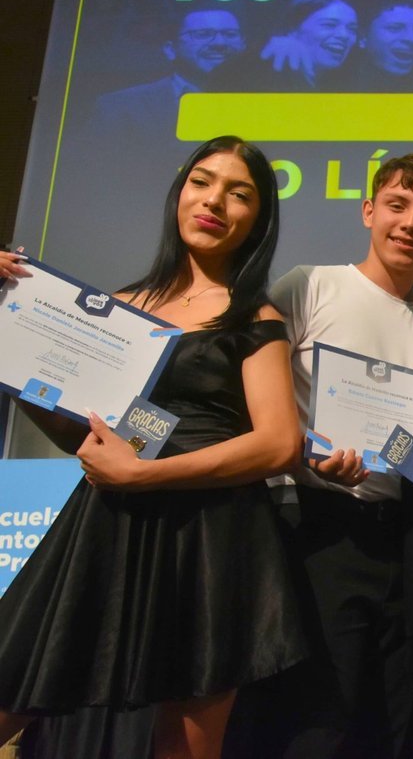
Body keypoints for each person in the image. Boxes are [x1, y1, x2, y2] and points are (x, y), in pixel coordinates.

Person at [0, 136, 306, 759]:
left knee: (185, 747)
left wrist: (144, 477)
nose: (215, 200)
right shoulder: (118, 307)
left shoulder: (254, 316)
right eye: (202, 181)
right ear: (179, 192)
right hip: (107, 523)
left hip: (210, 537)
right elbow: (78, 429)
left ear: (259, 219)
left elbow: (278, 444)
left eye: (239, 193)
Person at [265, 154, 413, 756]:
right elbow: (258, 402)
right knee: (319, 713)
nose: (410, 225)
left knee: (386, 714)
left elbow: (411, 441)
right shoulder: (309, 285)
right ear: (369, 211)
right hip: (313, 525)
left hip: (399, 539)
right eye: (398, 206)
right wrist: (305, 456)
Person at [91, 9, 245, 137]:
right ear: (170, 49)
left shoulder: (266, 101)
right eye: (203, 34)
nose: (220, 43)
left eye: (230, 34)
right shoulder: (118, 106)